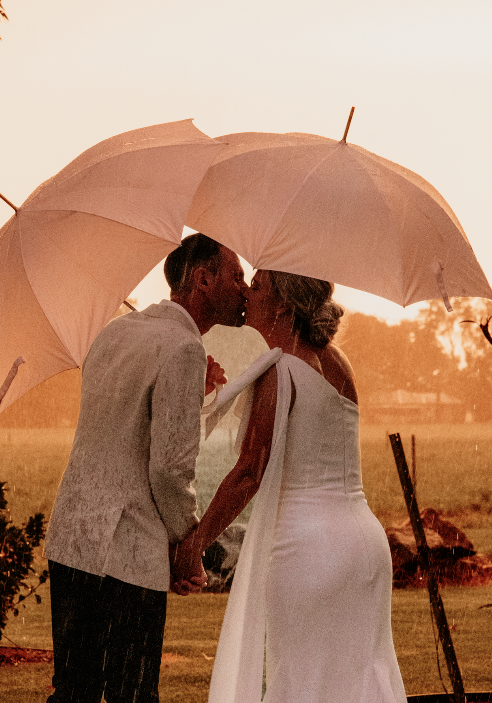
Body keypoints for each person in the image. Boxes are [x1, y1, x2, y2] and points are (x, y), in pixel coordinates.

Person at [173, 270, 407, 703]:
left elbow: (249, 472)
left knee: (301, 680)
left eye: (257, 284)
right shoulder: (338, 362)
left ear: (281, 301)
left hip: (309, 548)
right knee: (356, 681)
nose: (245, 290)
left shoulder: (279, 372)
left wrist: (196, 543)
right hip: (365, 547)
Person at [42, 233, 248, 703]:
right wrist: (188, 543)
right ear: (202, 279)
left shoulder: (115, 332)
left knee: (73, 692)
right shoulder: (182, 349)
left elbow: (124, 427)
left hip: (73, 540)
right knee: (130, 695)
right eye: (236, 276)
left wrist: (190, 393)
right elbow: (169, 470)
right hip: (127, 552)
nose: (245, 288)